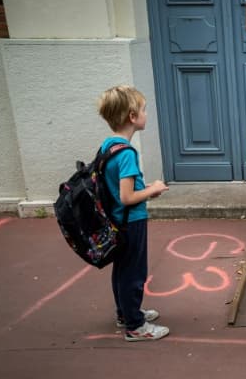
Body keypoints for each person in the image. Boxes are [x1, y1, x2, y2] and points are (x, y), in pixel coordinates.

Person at [98, 85, 170, 341]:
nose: (146, 113)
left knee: (122, 269)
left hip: (117, 220)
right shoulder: (127, 153)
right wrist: (153, 189)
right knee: (134, 272)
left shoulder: (109, 146)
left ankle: (125, 313)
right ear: (131, 116)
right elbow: (127, 197)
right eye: (143, 109)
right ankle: (135, 326)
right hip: (131, 221)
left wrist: (146, 188)